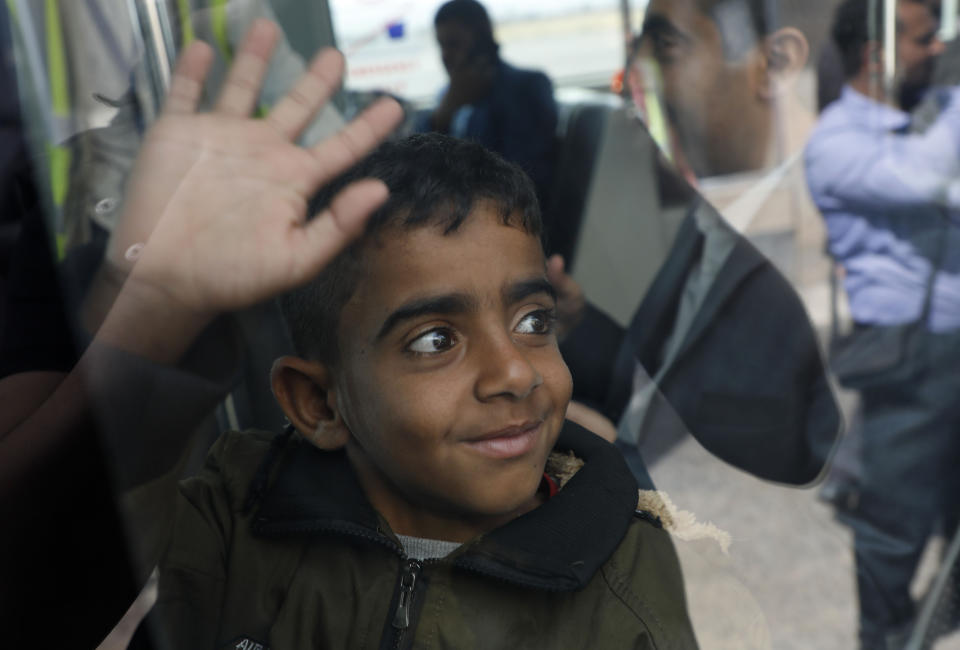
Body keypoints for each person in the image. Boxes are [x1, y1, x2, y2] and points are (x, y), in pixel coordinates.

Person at [2, 21, 699, 647]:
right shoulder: (238, 518)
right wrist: (152, 307)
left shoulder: (627, 569)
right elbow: (42, 596)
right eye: (435, 341)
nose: (515, 372)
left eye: (533, 322)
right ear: (318, 404)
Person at [550, 0, 842, 485]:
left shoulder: (824, 249)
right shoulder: (696, 206)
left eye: (666, 45)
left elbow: (793, 463)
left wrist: (612, 451)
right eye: (636, 47)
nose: (633, 74)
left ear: (773, 65)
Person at [805, 1, 960, 647]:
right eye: (926, 38)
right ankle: (887, 636)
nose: (940, 48)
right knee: (894, 528)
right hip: (909, 361)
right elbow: (929, 179)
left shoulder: (939, 111)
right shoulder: (836, 141)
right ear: (879, 55)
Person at [416, 0, 557, 211]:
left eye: (453, 44)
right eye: (441, 45)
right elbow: (415, 162)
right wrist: (444, 114)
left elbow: (522, 176)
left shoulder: (525, 87)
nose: (445, 56)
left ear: (482, 41)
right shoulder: (448, 96)